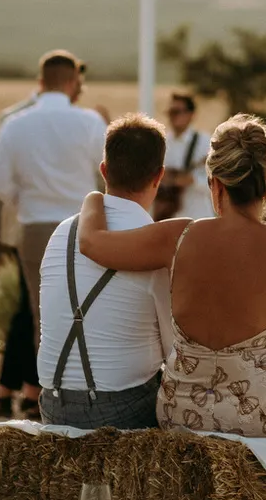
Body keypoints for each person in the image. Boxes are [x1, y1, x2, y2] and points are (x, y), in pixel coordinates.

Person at [77, 114, 266, 457]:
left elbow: (92, 244)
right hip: (260, 412)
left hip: (182, 413)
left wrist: (93, 199)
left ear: (214, 183)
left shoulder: (179, 236)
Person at [36, 113, 174, 429]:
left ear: (103, 170)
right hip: (125, 407)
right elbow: (172, 349)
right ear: (159, 176)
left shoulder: (62, 232)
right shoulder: (153, 240)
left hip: (52, 402)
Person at [0, 51, 107, 385]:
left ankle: (47, 392)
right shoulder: (90, 122)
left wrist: (28, 202)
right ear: (73, 82)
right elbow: (105, 175)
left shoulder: (15, 124)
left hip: (36, 225)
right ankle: (83, 387)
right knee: (87, 309)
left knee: (42, 315)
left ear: (41, 82)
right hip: (83, 224)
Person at [0, 84, 43, 419]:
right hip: (31, 224)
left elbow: (1, 180)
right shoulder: (19, 119)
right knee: (34, 308)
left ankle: (8, 389)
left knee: (26, 308)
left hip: (21, 225)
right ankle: (27, 391)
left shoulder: (11, 118)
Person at [154, 92, 212, 221]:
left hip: (198, 217)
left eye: (177, 112)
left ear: (191, 115)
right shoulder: (162, 143)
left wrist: (194, 180)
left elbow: (218, 183)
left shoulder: (205, 142)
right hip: (168, 217)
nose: (173, 116)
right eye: (170, 112)